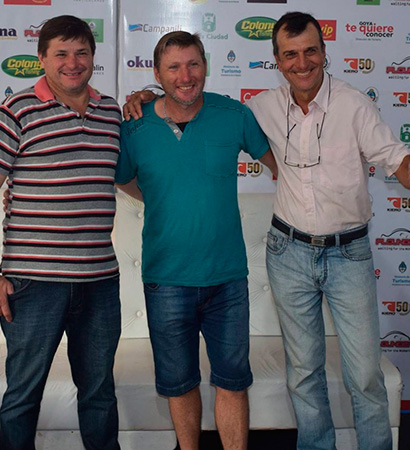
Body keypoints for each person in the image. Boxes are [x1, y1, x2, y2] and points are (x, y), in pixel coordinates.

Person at [123, 12, 410, 450]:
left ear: (324, 52)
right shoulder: (258, 108)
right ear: (277, 60)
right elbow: (156, 139)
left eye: (310, 51)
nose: (301, 62)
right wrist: (143, 97)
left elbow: (394, 159)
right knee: (302, 374)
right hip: (284, 252)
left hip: (343, 254)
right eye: (291, 54)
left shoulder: (345, 106)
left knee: (365, 373)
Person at [116, 31, 276, 450]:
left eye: (193, 64)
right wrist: (161, 196)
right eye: (173, 67)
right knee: (179, 383)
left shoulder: (234, 115)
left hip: (227, 279)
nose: (185, 76)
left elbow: (281, 166)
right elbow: (125, 178)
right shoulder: (135, 125)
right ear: (157, 74)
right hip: (166, 279)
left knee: (232, 382)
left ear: (205, 65)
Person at [0, 15, 122, 450]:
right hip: (34, 284)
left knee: (99, 394)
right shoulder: (17, 110)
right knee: (23, 396)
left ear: (93, 56)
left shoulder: (111, 112)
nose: (73, 63)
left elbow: (126, 176)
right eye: (61, 54)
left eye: (82, 53)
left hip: (99, 281)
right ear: (42, 58)